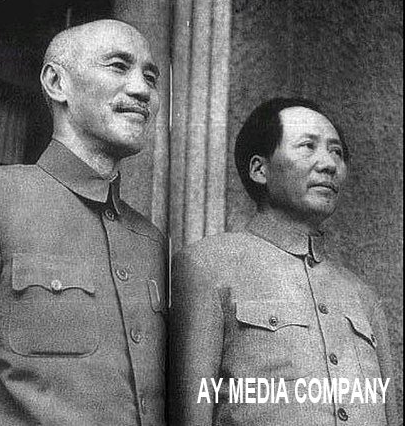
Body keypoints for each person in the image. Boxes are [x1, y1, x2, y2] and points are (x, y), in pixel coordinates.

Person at [0, 20, 167, 425]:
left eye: (150, 77)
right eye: (118, 66)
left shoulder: (150, 240)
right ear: (57, 83)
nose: (143, 90)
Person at [169, 98, 398, 425]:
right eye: (308, 146)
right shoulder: (205, 267)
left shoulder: (362, 296)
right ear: (259, 170)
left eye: (336, 152)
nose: (329, 164)